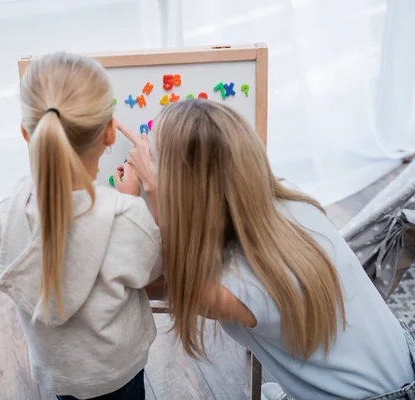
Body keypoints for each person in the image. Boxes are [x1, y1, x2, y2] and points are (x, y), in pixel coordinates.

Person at [118, 99, 415, 400]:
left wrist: (142, 201)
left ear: (185, 191)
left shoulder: (235, 290)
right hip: (402, 364)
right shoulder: (291, 202)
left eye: (153, 157)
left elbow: (157, 281)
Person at [0, 52, 162, 400]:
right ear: (110, 132)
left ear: (26, 133)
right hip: (117, 374)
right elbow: (155, 270)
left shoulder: (6, 213)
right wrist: (137, 200)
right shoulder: (127, 217)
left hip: (59, 374)